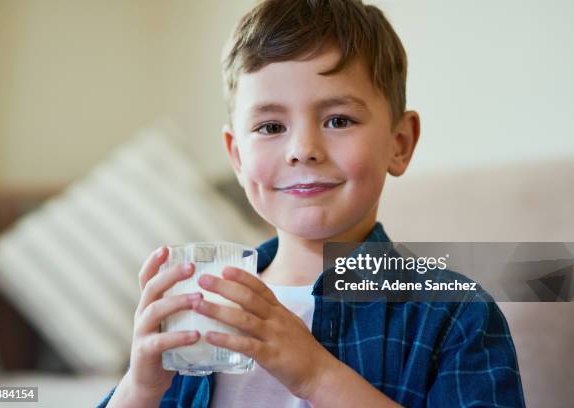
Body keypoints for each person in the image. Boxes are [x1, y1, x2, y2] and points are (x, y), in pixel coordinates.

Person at [98, 0, 525, 406]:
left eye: (338, 120)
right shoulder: (207, 305)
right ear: (237, 157)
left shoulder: (455, 313)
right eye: (270, 126)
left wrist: (317, 376)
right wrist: (140, 388)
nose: (303, 149)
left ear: (400, 143)